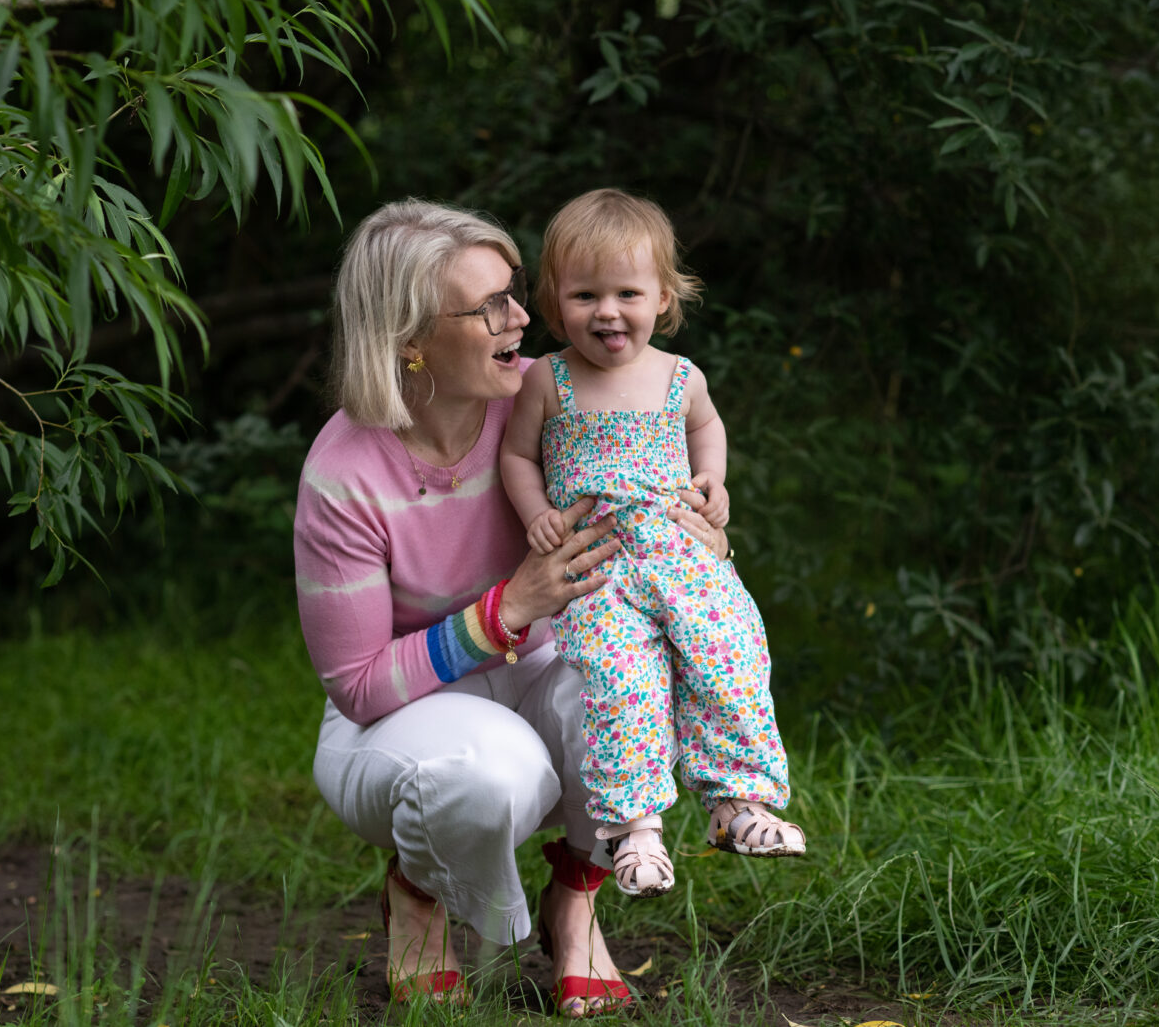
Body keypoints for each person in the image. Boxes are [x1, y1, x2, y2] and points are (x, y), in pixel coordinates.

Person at [294, 198, 730, 1016]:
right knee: (494, 776)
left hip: (537, 659)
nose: (521, 317)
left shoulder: (545, 396)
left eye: (516, 291)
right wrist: (506, 610)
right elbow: (355, 683)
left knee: (633, 688)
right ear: (409, 339)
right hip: (400, 711)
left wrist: (704, 536)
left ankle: (576, 902)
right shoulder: (346, 470)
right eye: (489, 305)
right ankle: (419, 887)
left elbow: (653, 493)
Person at [500, 188, 806, 900]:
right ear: (553, 302)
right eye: (584, 295)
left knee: (727, 650)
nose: (607, 311)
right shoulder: (549, 378)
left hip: (679, 552)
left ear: (663, 298)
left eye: (627, 292)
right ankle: (636, 828)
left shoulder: (681, 376)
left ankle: (736, 800)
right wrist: (537, 510)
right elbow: (517, 456)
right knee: (622, 680)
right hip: (600, 562)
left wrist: (714, 482)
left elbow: (708, 430)